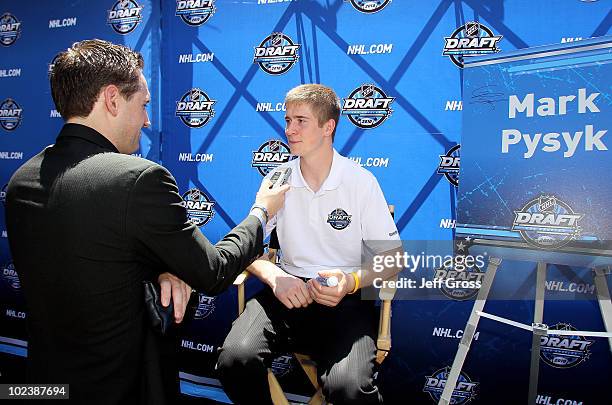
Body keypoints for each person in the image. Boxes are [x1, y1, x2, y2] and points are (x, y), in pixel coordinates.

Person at [4, 39, 288, 405]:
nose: (148, 120)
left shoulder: (21, 179)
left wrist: (163, 269)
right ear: (111, 99)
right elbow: (214, 271)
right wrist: (261, 212)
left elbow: (94, 257)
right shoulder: (138, 179)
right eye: (143, 105)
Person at [217, 84, 402, 404]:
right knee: (235, 360)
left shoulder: (360, 181)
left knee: (348, 387)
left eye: (300, 121)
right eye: (287, 120)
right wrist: (276, 277)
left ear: (328, 126)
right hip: (287, 291)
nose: (289, 129)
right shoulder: (277, 179)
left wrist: (351, 281)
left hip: (345, 299)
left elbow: (393, 259)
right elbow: (247, 247)